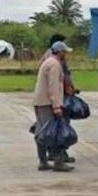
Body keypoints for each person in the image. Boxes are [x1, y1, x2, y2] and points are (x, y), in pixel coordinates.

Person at [33, 41, 74, 173]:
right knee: (53, 133)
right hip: (47, 103)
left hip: (40, 102)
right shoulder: (55, 65)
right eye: (65, 52)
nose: (66, 54)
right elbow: (53, 87)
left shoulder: (47, 62)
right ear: (60, 52)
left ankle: (43, 161)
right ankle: (57, 162)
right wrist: (56, 106)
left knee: (42, 131)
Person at [42, 33, 76, 164]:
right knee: (60, 126)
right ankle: (59, 155)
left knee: (49, 127)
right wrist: (69, 89)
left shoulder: (47, 57)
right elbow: (57, 81)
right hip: (56, 98)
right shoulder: (56, 62)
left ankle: (51, 154)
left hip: (49, 98)